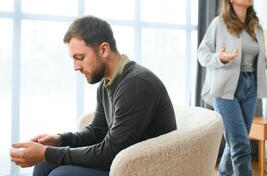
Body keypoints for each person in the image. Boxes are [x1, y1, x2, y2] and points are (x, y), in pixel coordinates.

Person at [10, 15, 177, 176]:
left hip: (140, 169)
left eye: (80, 58)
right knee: (45, 163)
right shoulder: (107, 84)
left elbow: (110, 153)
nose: (75, 67)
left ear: (104, 49)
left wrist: (47, 152)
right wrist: (60, 140)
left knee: (61, 173)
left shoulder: (136, 84)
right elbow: (97, 131)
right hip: (120, 161)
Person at [197, 0, 267, 176]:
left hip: (250, 87)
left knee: (236, 140)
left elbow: (259, 63)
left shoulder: (256, 28)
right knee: (242, 144)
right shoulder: (219, 23)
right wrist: (221, 58)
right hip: (225, 89)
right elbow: (202, 53)